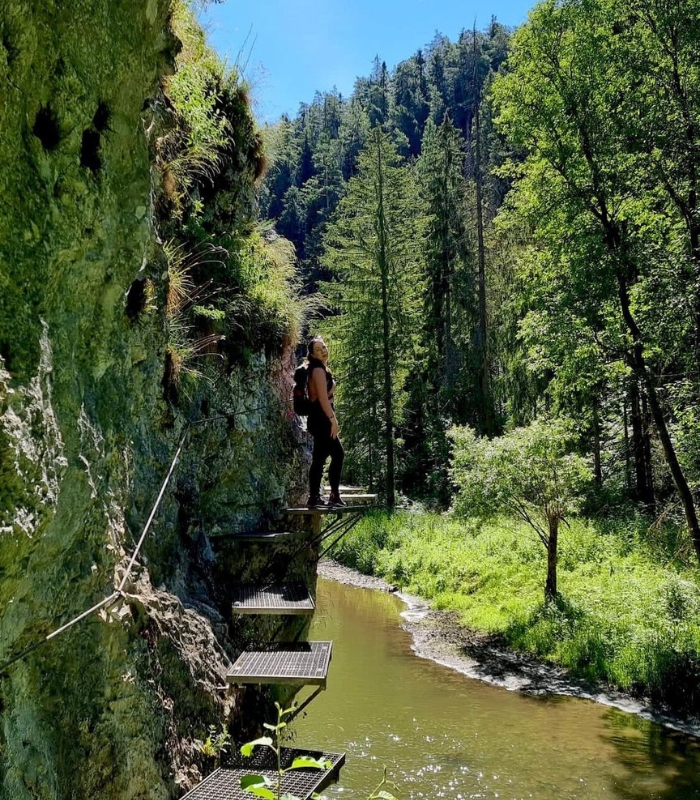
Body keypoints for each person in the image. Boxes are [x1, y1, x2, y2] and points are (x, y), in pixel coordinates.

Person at [306, 336, 345, 508]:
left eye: (324, 347)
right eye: (318, 349)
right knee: (338, 454)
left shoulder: (319, 368)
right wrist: (332, 420)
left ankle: (315, 498)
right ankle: (332, 496)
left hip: (319, 417)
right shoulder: (318, 371)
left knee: (319, 457)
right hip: (322, 417)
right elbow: (322, 398)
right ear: (312, 355)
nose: (323, 350)